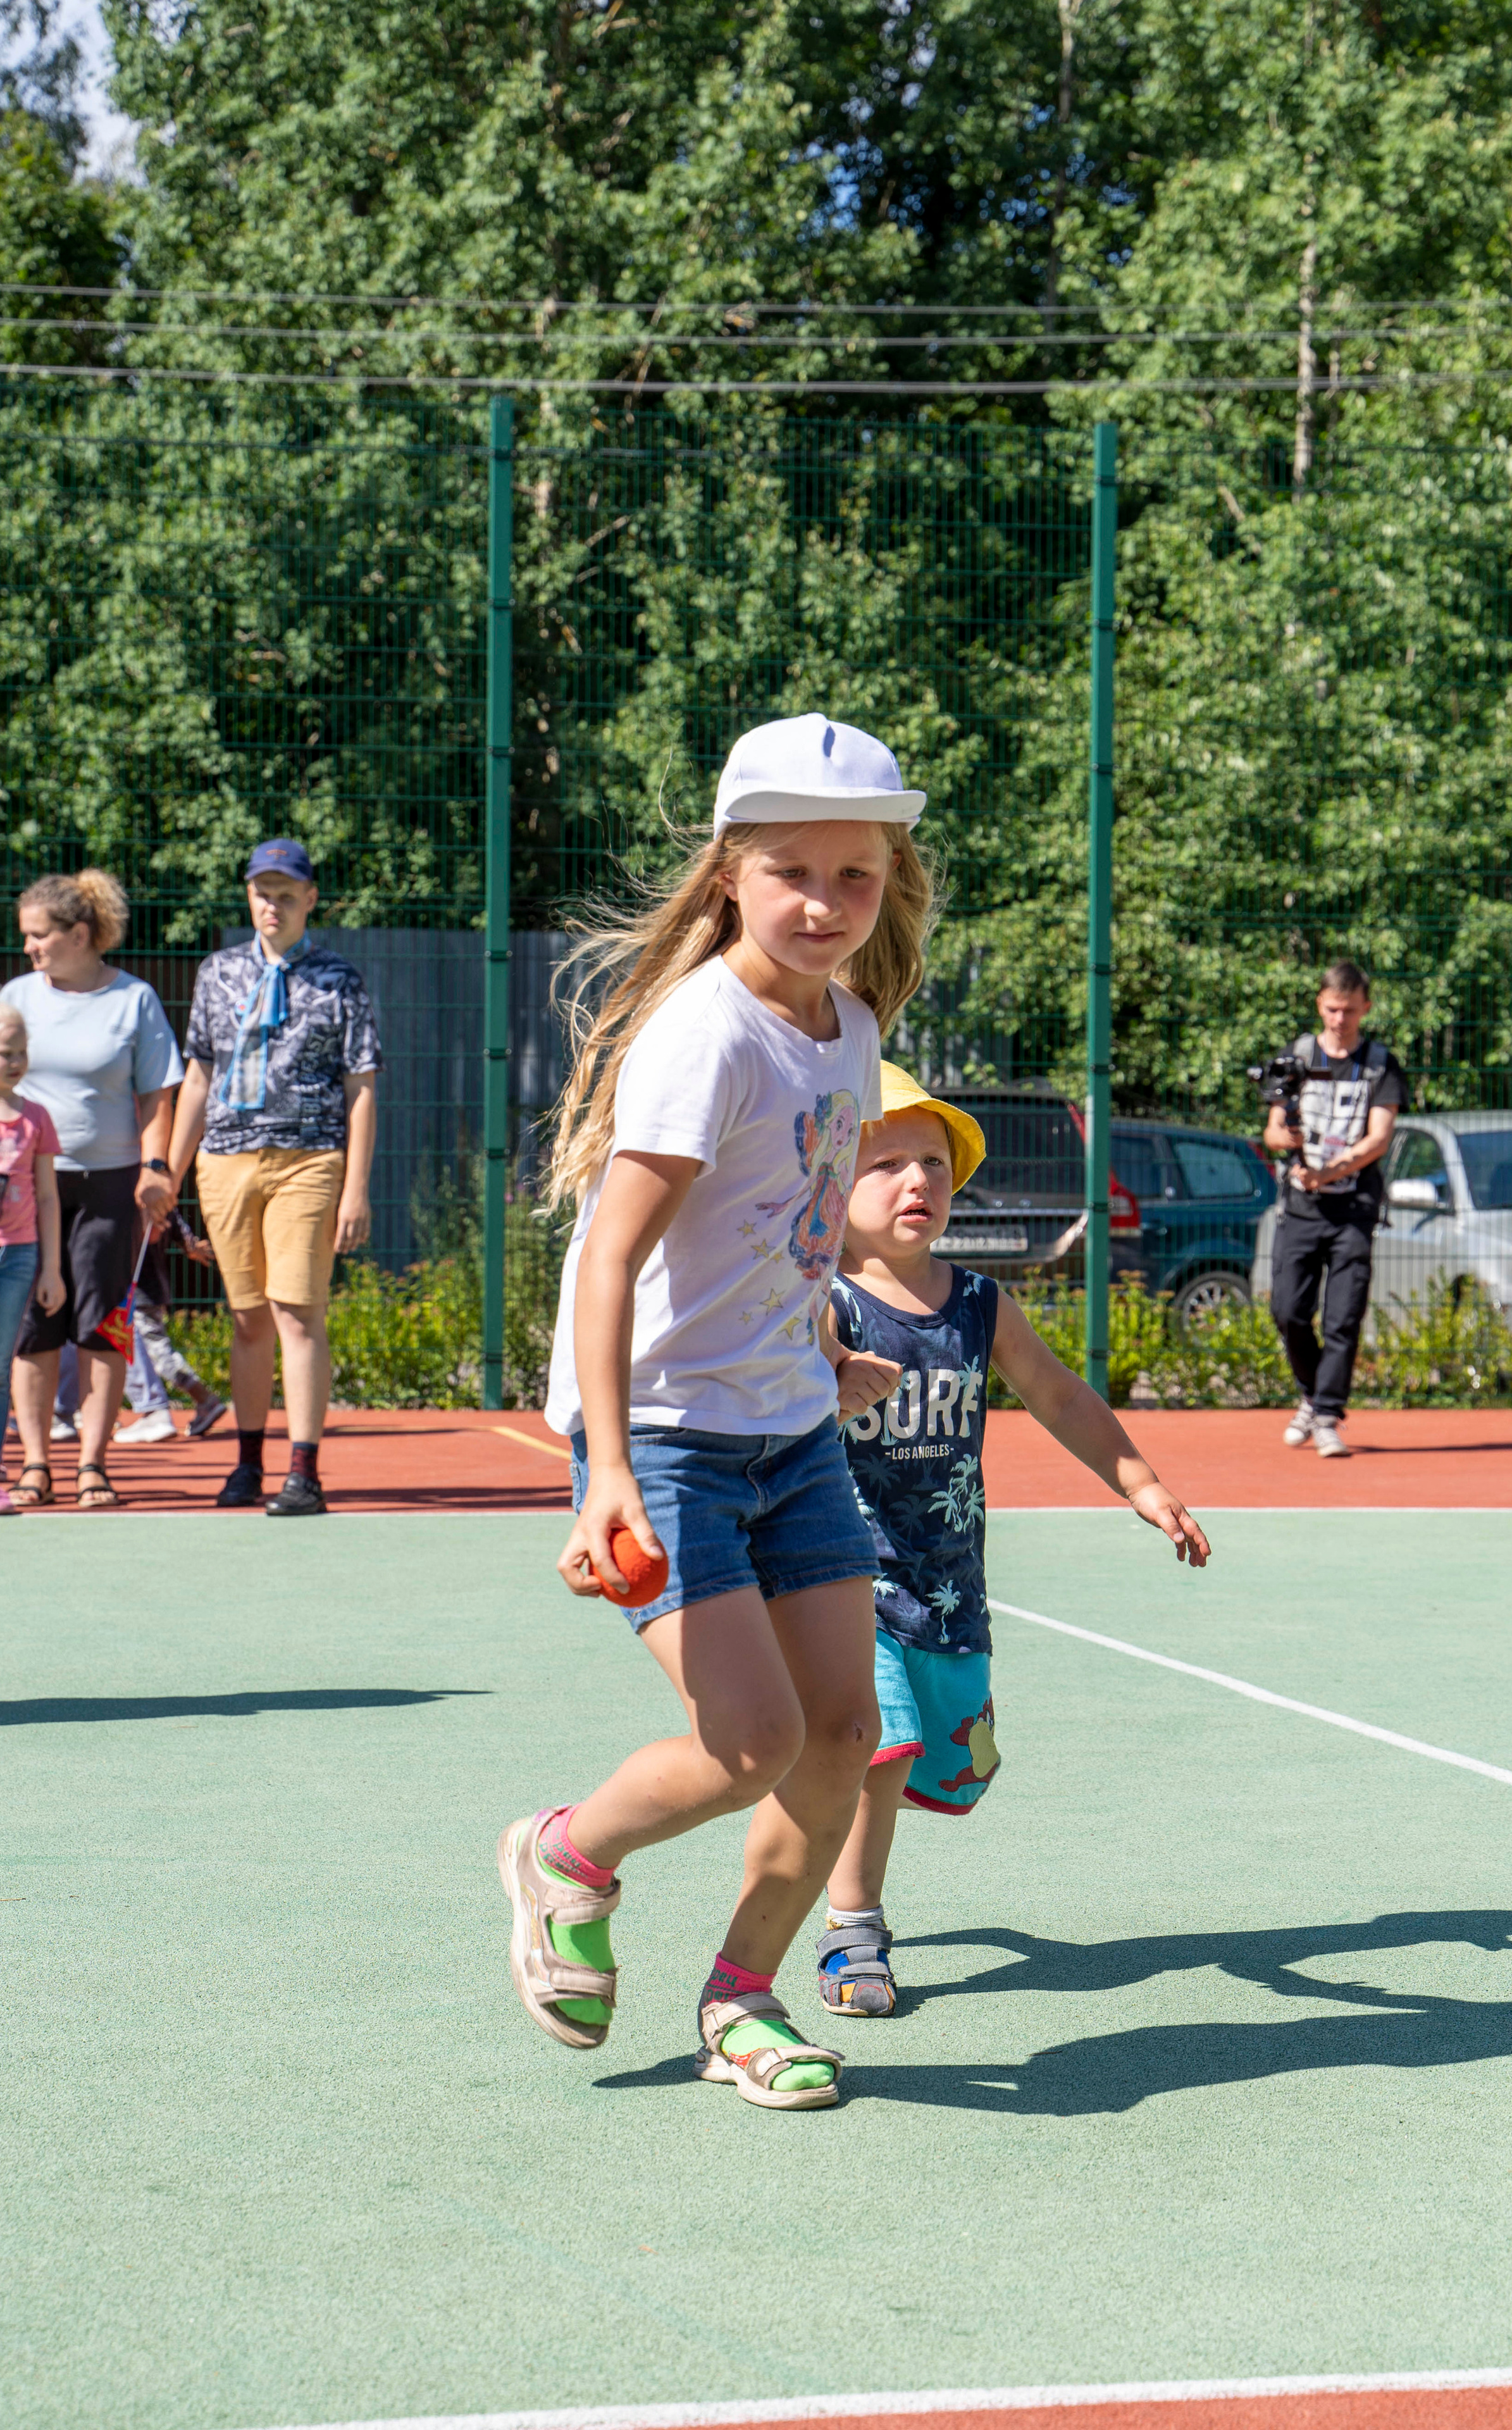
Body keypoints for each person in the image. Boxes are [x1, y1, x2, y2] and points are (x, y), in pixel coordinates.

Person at [498, 713, 934, 2113]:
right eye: (791, 872)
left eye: (853, 878)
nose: (823, 904)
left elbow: (788, 1226)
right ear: (729, 871)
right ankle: (565, 1854)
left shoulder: (849, 1028)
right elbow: (612, 1256)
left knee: (834, 1740)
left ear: (887, 879)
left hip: (789, 1428)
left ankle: (742, 2002)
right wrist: (606, 1471)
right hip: (670, 1436)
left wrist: (817, 1345)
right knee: (744, 1743)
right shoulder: (705, 1036)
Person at [814, 1064, 1211, 2015]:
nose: (919, 1183)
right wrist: (825, 1367)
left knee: (956, 1769)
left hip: (946, 1582)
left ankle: (830, 1837)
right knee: (879, 1749)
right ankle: (851, 1930)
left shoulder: (979, 1303)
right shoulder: (825, 1302)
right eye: (889, 1165)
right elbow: (773, 1375)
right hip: (840, 1581)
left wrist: (1142, 1482)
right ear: (832, 1188)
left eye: (935, 1165)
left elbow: (1061, 1396)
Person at [165, 838, 381, 1516]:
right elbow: (198, 1074)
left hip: (309, 1159)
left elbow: (363, 1085)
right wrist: (167, 1174)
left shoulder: (339, 979)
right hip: (226, 1161)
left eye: (286, 895)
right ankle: (247, 1464)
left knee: (297, 1311)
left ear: (310, 900)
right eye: (262, 893)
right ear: (248, 897)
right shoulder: (217, 972)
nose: (272, 905)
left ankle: (304, 1471)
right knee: (247, 1317)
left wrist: (355, 1187)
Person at [2, 869, 183, 1512]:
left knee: (103, 1327)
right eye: (26, 936)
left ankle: (93, 1468)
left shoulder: (134, 1000)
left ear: (80, 934)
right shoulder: (18, 997)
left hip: (111, 1185)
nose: (28, 947)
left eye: (39, 935)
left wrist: (155, 1166)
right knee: (34, 1327)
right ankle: (34, 1467)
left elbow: (158, 1093)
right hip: (28, 1186)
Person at [1265, 959, 1408, 1459]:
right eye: (1331, 1009)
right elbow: (1272, 1129)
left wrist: (1329, 1171)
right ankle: (1312, 1393)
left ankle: (1326, 1415)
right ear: (1319, 1005)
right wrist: (1288, 1141)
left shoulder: (1380, 1065)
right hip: (1301, 1207)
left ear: (1365, 1008)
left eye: (1348, 1011)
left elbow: (1379, 1139)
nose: (1339, 1020)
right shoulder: (1298, 1055)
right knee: (1288, 1310)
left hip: (1354, 1208)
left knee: (1344, 1316)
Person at [0, 997, 65, 1515]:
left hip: (17, 1258)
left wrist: (52, 1269)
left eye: (22, 1051)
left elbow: (48, 1196)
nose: (15, 1061)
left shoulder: (36, 1118)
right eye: (3, 1052)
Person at [111, 1225, 227, 1446]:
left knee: (146, 1350)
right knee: (156, 1352)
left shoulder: (133, 1196)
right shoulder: (160, 1199)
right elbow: (177, 1224)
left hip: (137, 1291)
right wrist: (190, 1244)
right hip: (150, 1288)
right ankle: (204, 1400)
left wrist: (190, 1244)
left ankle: (163, 1409)